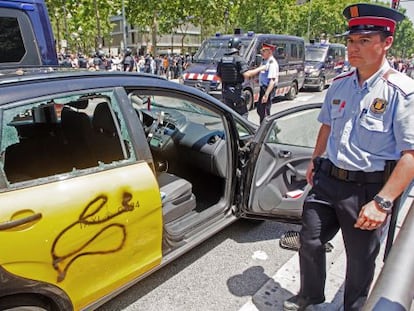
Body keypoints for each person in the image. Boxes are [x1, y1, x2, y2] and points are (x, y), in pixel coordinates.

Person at [283, 3, 414, 311]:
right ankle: (310, 296)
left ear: (387, 43)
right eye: (351, 41)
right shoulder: (340, 84)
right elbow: (327, 125)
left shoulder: (400, 92)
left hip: (367, 190)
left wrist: (383, 202)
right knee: (309, 239)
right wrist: (316, 160)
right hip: (329, 179)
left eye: (364, 41)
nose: (353, 48)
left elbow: (411, 154)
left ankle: (353, 308)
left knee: (359, 263)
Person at [216, 38, 265, 118]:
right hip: (236, 92)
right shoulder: (239, 59)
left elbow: (218, 76)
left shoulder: (221, 60)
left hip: (225, 91)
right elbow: (247, 74)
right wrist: (260, 68)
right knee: (243, 114)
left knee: (229, 115)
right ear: (238, 47)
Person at [257, 43, 279, 123]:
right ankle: (266, 128)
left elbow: (272, 81)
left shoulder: (271, 63)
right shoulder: (265, 61)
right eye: (261, 51)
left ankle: (268, 130)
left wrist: (266, 94)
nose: (262, 53)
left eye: (264, 51)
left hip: (268, 89)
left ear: (269, 52)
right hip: (263, 88)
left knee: (265, 112)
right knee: (260, 110)